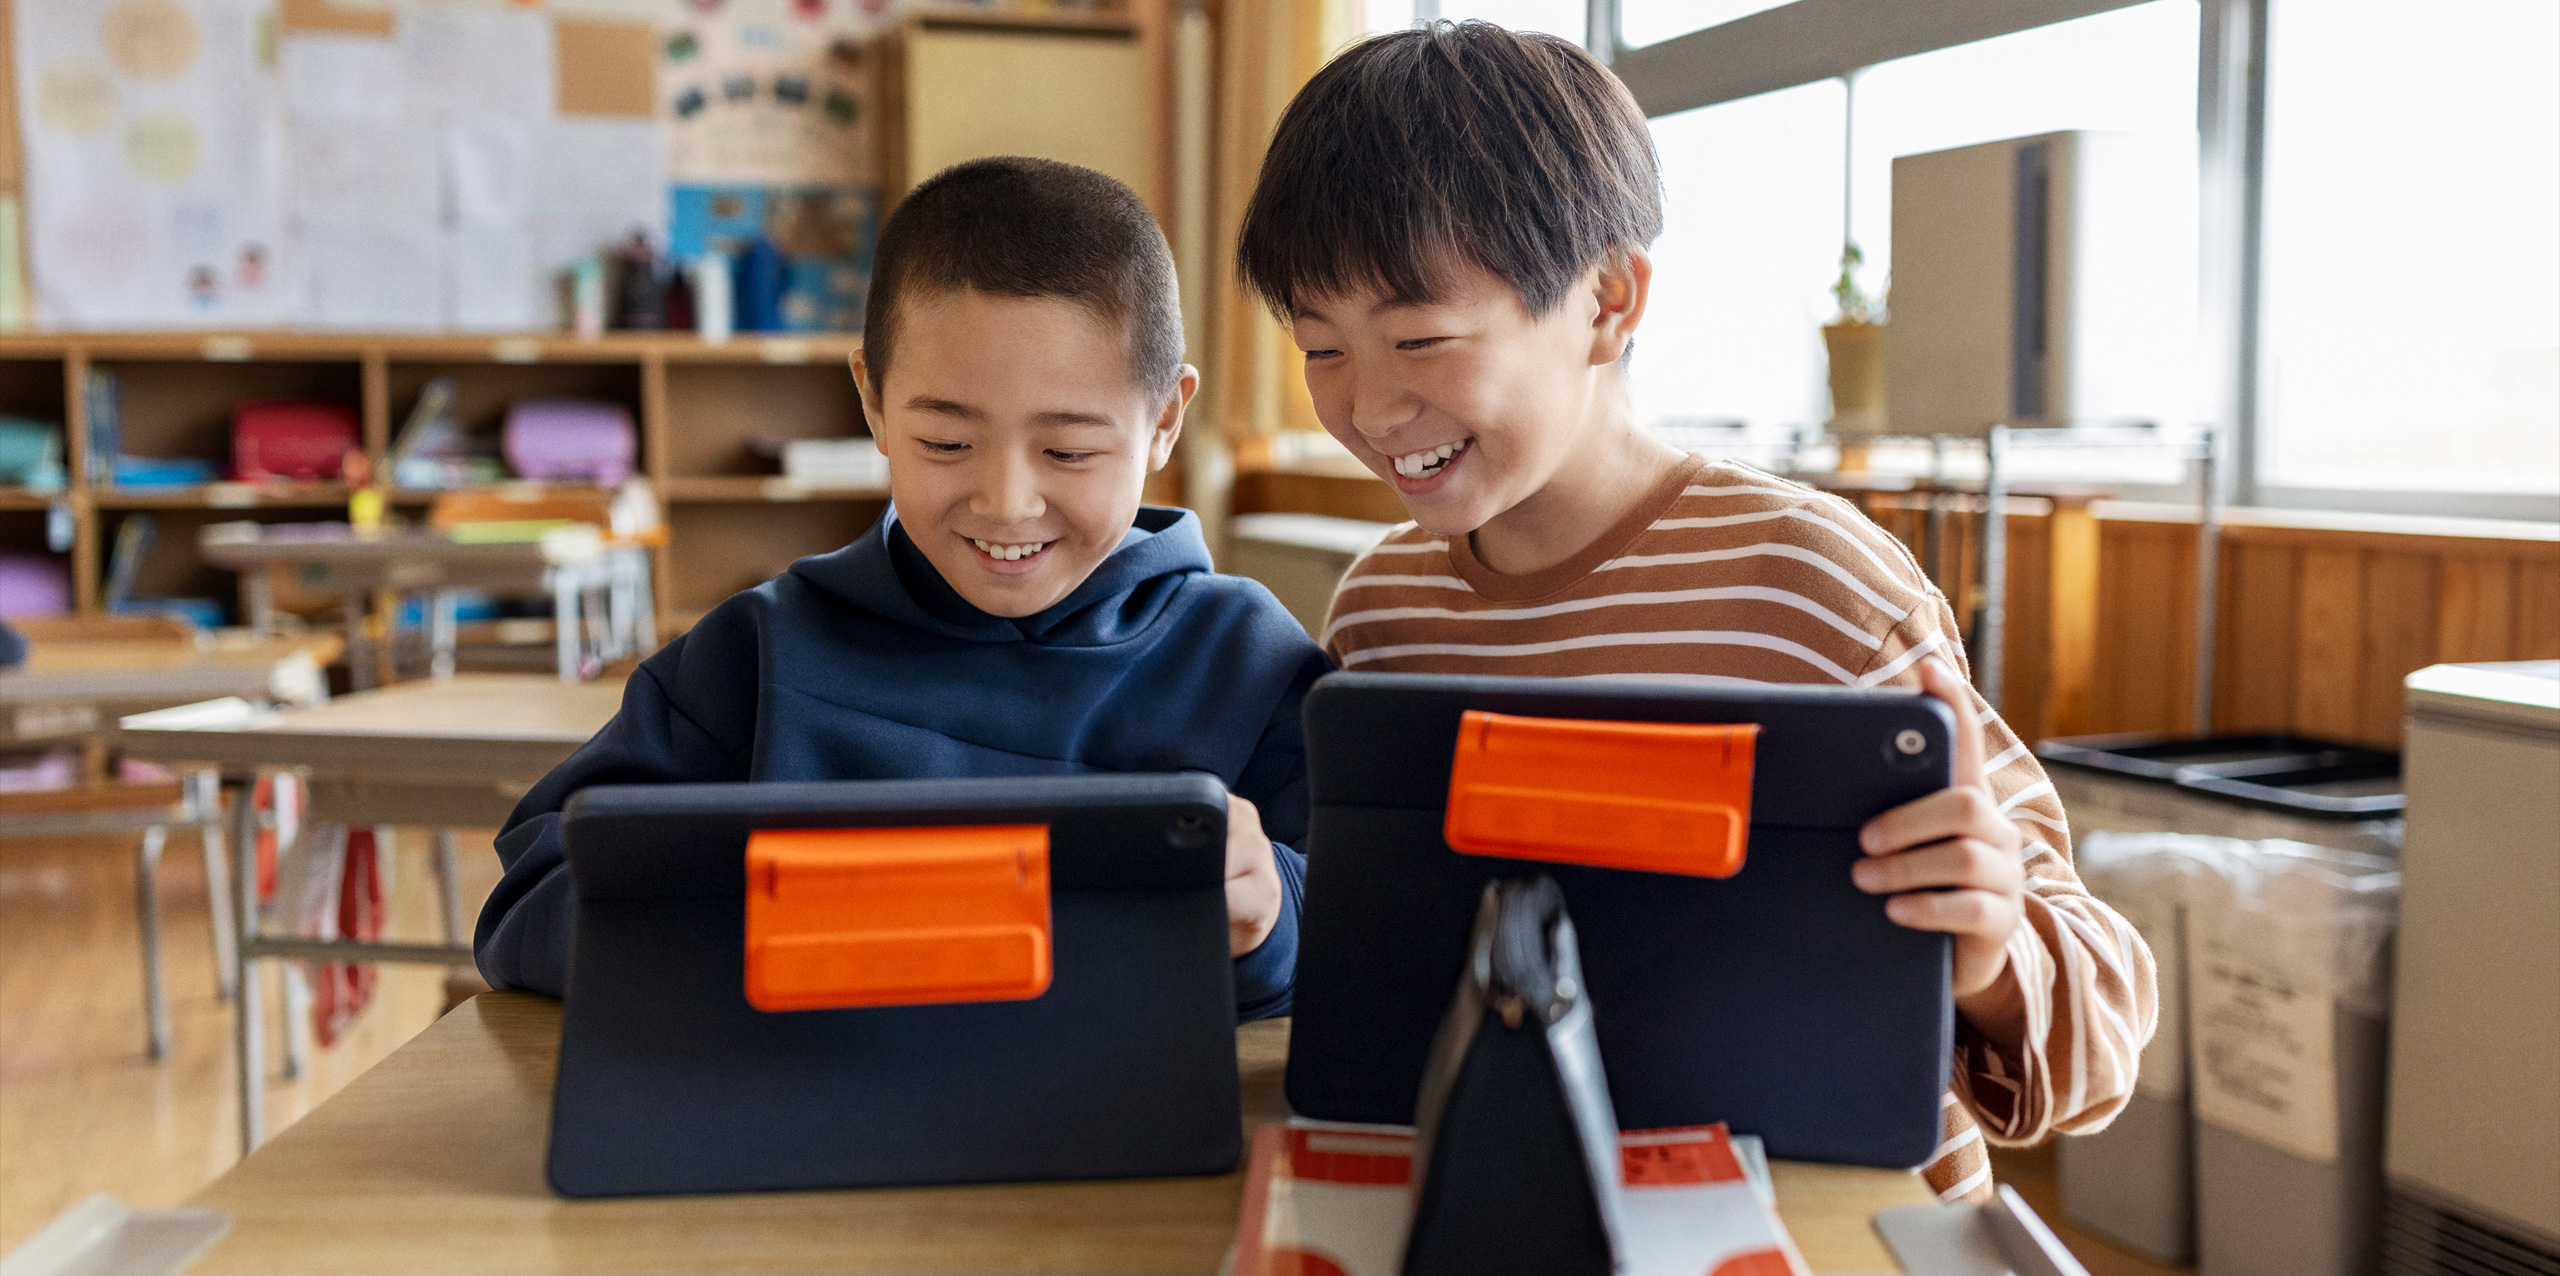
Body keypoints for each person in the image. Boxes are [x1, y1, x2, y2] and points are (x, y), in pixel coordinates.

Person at [1235, 21, 2156, 1200]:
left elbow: (2099, 1040)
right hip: (1531, 1196)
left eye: (1420, 338)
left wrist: (1989, 947)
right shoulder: (1382, 614)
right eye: (1322, 349)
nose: (1369, 407)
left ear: (1608, 300)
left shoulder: (1817, 582)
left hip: (1830, 1222)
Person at [478, 157, 1328, 1020]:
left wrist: (1265, 922)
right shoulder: (758, 655)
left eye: (1068, 451)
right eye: (946, 444)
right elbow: (534, 893)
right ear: (875, 402)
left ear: (1165, 420)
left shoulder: (1247, 663)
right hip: (814, 1099)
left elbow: (1356, 935)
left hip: (1129, 1103)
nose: (1007, 503)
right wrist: (743, 928)